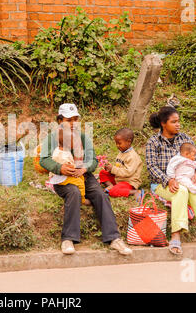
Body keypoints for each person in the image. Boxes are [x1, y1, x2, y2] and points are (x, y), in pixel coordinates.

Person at [40, 103, 132, 256]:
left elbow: (93, 160)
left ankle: (114, 238)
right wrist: (60, 168)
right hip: (62, 178)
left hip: (83, 174)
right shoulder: (52, 138)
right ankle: (68, 239)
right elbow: (44, 160)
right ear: (60, 121)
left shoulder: (83, 137)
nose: (73, 123)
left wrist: (84, 169)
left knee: (100, 194)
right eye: (69, 120)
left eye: (76, 119)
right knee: (74, 193)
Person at [145, 106, 196, 258]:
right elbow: (151, 166)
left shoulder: (185, 138)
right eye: (173, 122)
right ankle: (176, 235)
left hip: (186, 181)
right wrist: (168, 180)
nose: (178, 125)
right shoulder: (153, 142)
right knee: (180, 191)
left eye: (178, 121)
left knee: (195, 193)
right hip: (161, 185)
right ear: (163, 123)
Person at [49, 126, 91, 206]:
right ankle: (83, 200)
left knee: (81, 178)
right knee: (80, 183)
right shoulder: (63, 155)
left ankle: (83, 192)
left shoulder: (59, 150)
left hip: (59, 175)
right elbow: (69, 168)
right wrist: (77, 167)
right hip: (62, 177)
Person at [98, 128, 143, 200]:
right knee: (103, 173)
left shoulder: (132, 156)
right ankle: (111, 185)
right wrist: (110, 168)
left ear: (128, 142)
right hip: (119, 178)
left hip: (128, 181)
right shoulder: (121, 152)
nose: (117, 145)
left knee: (112, 192)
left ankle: (134, 192)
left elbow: (128, 172)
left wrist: (113, 169)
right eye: (116, 143)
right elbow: (119, 166)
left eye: (119, 143)